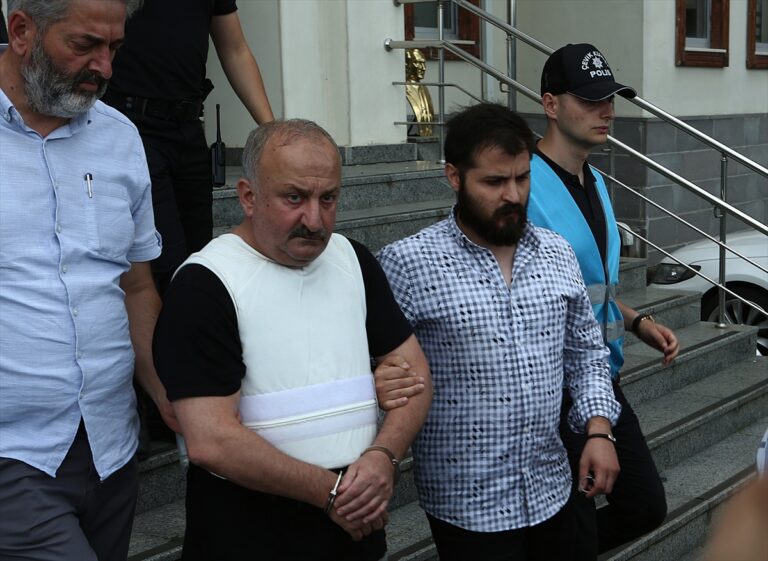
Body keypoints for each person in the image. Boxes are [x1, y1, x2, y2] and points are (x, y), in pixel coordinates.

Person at [152, 119, 433, 561]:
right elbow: (211, 441)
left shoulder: (353, 261)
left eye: (328, 198)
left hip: (353, 533)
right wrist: (333, 493)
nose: (314, 220)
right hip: (248, 537)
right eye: (294, 198)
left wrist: (384, 454)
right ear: (248, 196)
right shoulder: (205, 285)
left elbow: (415, 376)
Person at [376, 103, 621, 561]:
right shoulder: (408, 263)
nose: (513, 195)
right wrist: (378, 384)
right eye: (493, 182)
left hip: (554, 487)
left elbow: (586, 353)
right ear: (454, 176)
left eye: (522, 178)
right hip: (469, 507)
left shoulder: (556, 253)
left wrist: (599, 430)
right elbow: (375, 366)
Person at [0, 1, 177, 559]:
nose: (104, 67)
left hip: (111, 448)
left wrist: (166, 393)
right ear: (22, 31)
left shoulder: (120, 137)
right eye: (84, 46)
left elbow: (136, 286)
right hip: (14, 452)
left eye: (114, 48)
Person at [527, 43, 679, 553]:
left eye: (609, 98)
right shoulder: (523, 185)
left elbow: (590, 288)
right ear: (551, 104)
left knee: (644, 505)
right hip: (552, 385)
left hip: (601, 376)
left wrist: (635, 321)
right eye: (591, 99)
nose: (606, 110)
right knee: (573, 524)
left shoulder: (593, 178)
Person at [103, 0, 274, 294]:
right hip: (132, 127)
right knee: (165, 264)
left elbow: (235, 50)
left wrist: (272, 133)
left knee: (200, 256)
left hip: (189, 130)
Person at [405, 48, 435, 137]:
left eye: (423, 63)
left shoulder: (424, 88)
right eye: (418, 63)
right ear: (407, 64)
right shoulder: (404, 87)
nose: (423, 68)